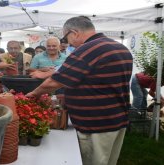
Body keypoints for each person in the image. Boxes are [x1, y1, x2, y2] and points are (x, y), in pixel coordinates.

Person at [26, 16, 133, 165]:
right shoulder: (120, 47)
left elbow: (54, 81)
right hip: (117, 117)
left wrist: (33, 94)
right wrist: (69, 94)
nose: (67, 43)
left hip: (96, 124)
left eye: (65, 37)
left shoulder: (87, 49)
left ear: (74, 32)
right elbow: (99, 81)